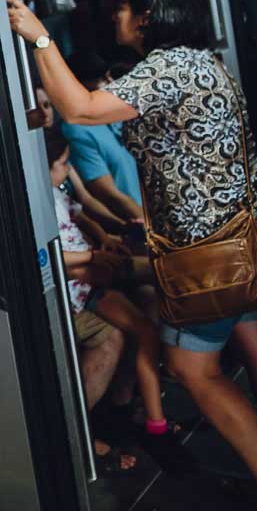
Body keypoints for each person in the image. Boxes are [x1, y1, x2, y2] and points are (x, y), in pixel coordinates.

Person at [8, 0, 257, 511]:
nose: (116, 17)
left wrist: (40, 38)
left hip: (211, 251)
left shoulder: (166, 68)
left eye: (123, 8)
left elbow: (81, 108)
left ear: (147, 16)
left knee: (194, 370)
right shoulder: (202, 60)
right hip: (249, 230)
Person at [46, 129, 192, 474]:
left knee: (158, 284)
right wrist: (94, 256)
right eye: (63, 164)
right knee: (145, 327)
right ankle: (151, 421)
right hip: (80, 287)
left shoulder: (55, 192)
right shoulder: (35, 203)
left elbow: (80, 212)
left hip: (91, 274)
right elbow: (48, 256)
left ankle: (131, 403)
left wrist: (104, 236)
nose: (67, 169)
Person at [61, 52, 143, 223]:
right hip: (134, 224)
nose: (110, 82)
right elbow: (107, 193)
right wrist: (147, 224)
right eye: (101, 79)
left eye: (108, 76)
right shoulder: (77, 129)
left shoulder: (115, 115)